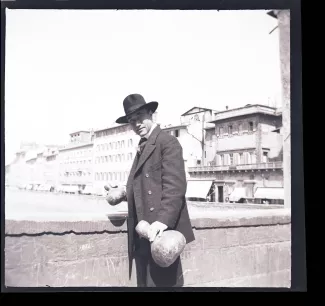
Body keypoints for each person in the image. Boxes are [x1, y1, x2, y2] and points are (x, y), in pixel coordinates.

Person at [106, 93, 195, 287]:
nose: (136, 123)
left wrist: (162, 222)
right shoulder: (142, 146)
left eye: (139, 117)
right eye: (131, 120)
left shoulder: (167, 143)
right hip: (142, 236)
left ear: (151, 113)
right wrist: (120, 191)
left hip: (161, 235)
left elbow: (175, 187)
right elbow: (140, 187)